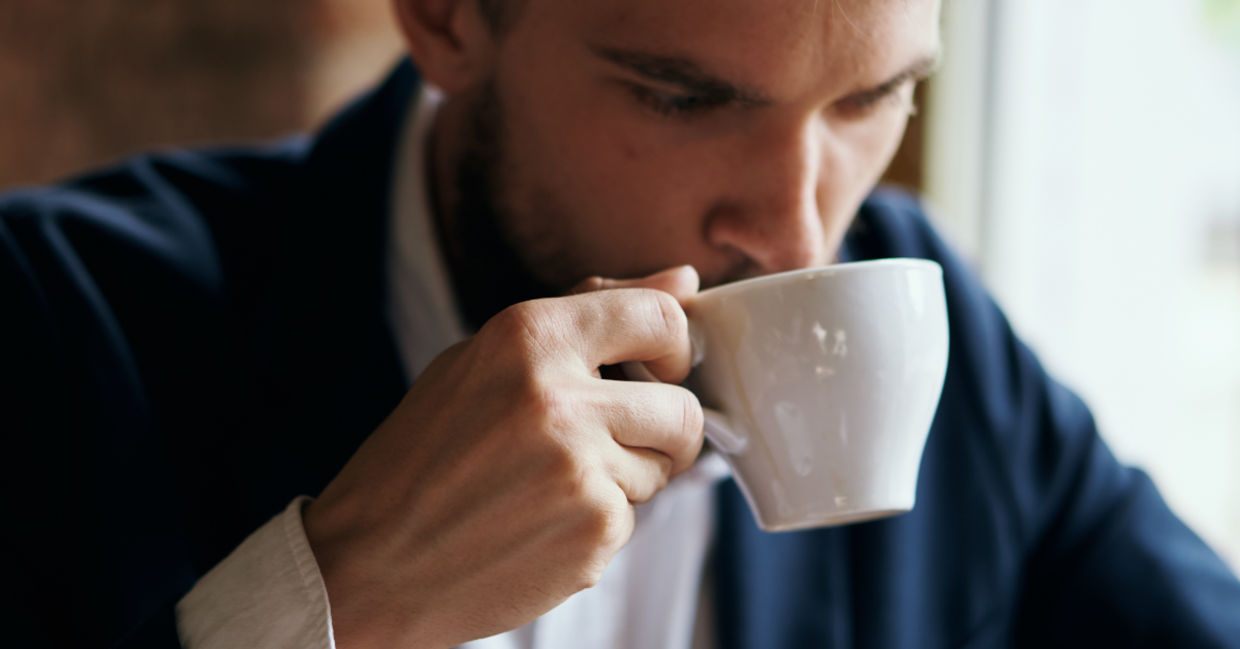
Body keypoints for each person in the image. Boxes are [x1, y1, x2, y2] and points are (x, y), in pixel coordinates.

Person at [2, 0, 1238, 647]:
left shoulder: (931, 324)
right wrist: (334, 600)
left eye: (873, 99)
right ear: (445, 13)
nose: (800, 237)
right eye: (686, 96)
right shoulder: (57, 318)